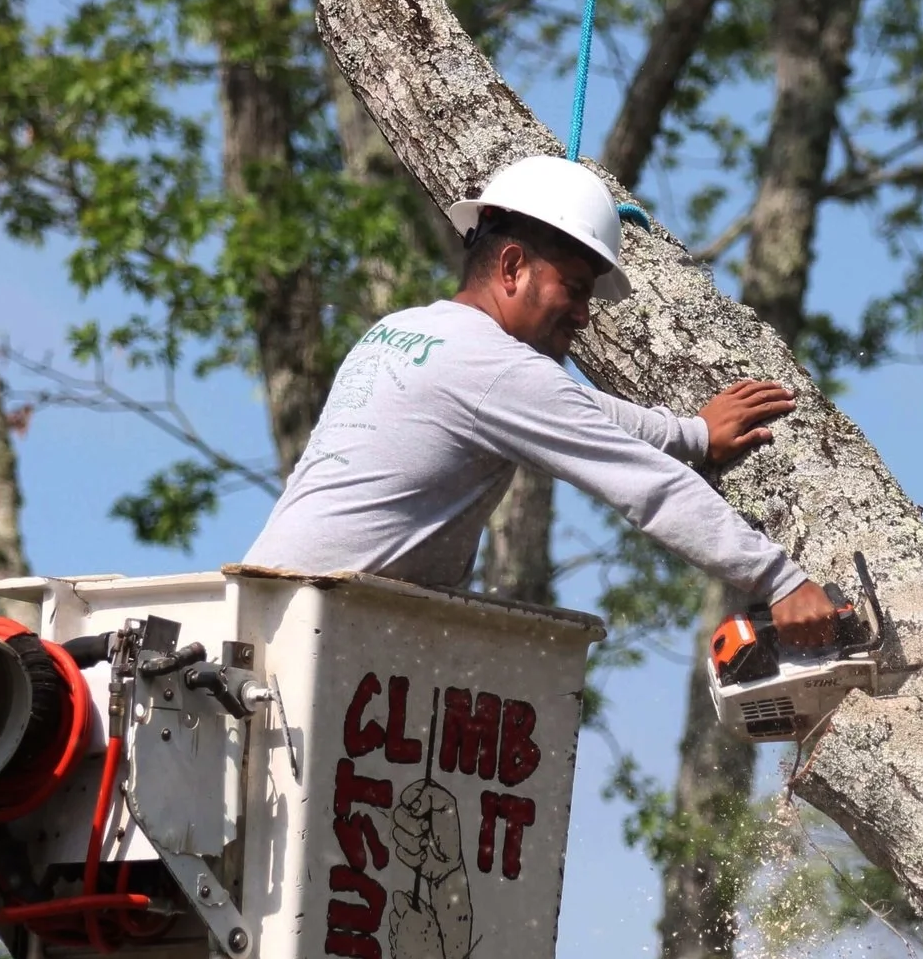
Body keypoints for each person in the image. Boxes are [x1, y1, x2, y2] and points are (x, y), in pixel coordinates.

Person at [245, 155, 840, 645]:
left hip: (256, 612)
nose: (584, 316)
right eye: (575, 290)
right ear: (511, 265)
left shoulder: (406, 331)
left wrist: (691, 435)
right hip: (312, 631)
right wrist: (781, 580)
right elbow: (647, 487)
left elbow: (577, 412)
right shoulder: (496, 371)